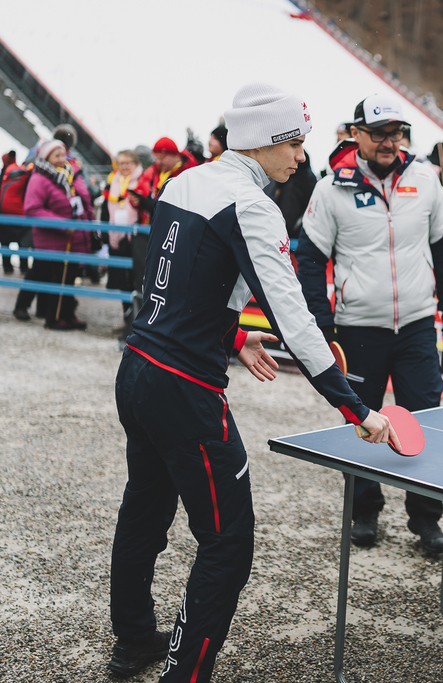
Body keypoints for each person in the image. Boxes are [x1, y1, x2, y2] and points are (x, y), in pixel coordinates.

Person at [107, 82, 394, 682]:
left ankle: (133, 641)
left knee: (144, 512)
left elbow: (172, 285)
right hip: (185, 388)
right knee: (228, 542)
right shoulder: (253, 206)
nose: (301, 157)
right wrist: (355, 408)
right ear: (262, 142)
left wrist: (234, 336)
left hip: (137, 369)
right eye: (293, 143)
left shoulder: (184, 182)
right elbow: (295, 318)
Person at [296, 93, 443, 555]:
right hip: (358, 328)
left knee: (425, 419)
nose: (389, 142)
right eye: (379, 134)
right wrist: (321, 321)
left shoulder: (426, 179)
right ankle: (364, 511)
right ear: (357, 135)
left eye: (397, 133)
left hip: (416, 325)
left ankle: (426, 517)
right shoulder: (331, 188)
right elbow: (310, 259)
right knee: (362, 420)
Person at [12, 139, 93, 329]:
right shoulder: (39, 179)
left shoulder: (67, 176)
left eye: (63, 154)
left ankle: (67, 314)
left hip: (71, 238)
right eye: (56, 155)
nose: (61, 159)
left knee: (68, 277)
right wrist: (63, 224)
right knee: (53, 278)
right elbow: (33, 208)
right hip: (52, 238)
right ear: (46, 157)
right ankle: (53, 318)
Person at [128, 136, 198, 293]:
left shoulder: (188, 173)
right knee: (146, 273)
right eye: (156, 157)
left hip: (174, 233)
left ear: (175, 155)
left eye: (162, 157)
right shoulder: (151, 171)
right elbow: (140, 192)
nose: (158, 161)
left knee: (169, 275)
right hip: (150, 230)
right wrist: (136, 201)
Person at [100, 149, 143, 334]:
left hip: (135, 237)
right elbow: (106, 207)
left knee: (136, 280)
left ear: (135, 164)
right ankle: (127, 320)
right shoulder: (113, 180)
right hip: (116, 235)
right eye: (121, 163)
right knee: (122, 281)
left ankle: (138, 323)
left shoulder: (142, 180)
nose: (124, 167)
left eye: (128, 163)